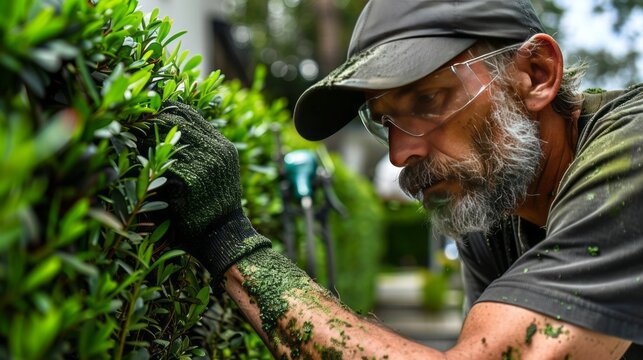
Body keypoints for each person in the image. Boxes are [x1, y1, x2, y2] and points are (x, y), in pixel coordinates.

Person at [151, 0, 643, 358]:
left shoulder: (632, 154)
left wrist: (231, 242)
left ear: (536, 74)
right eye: (384, 121)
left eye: (428, 100)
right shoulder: (493, 203)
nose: (399, 153)